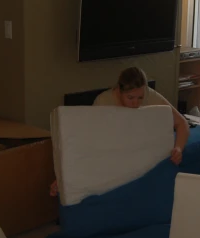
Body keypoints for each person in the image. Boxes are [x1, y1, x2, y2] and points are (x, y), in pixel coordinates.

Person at [50, 67, 190, 197]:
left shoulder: (148, 94)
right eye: (130, 98)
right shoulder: (103, 102)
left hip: (139, 151)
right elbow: (89, 142)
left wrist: (178, 148)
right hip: (111, 153)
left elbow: (181, 123)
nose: (136, 103)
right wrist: (66, 175)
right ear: (118, 91)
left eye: (140, 98)